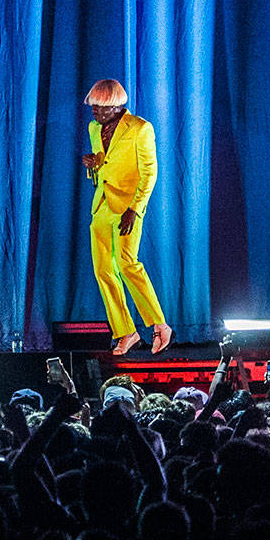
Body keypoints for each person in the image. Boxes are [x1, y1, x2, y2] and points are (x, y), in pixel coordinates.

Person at [81, 79, 171, 356]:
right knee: (103, 270)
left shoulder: (140, 129)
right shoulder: (94, 128)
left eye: (99, 107)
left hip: (127, 207)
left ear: (117, 106)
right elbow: (103, 168)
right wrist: (93, 166)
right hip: (102, 205)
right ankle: (126, 332)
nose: (94, 111)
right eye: (93, 106)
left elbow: (149, 173)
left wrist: (135, 209)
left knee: (127, 263)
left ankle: (159, 324)